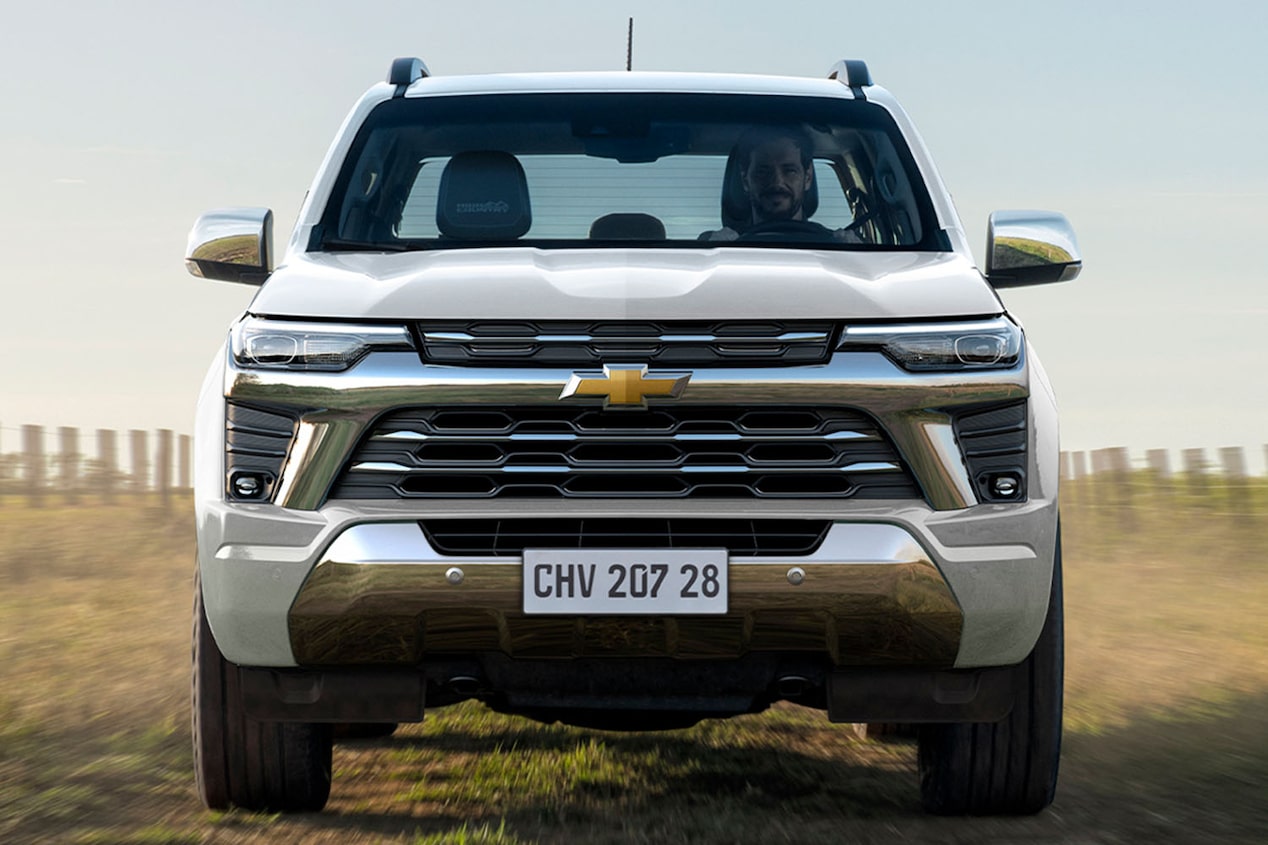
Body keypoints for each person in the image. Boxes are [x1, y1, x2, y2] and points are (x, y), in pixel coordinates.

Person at [703, 126, 862, 243]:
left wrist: (855, 253)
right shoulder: (718, 248)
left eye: (789, 171)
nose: (777, 182)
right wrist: (714, 249)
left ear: (807, 178)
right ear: (745, 180)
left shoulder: (840, 246)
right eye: (763, 172)